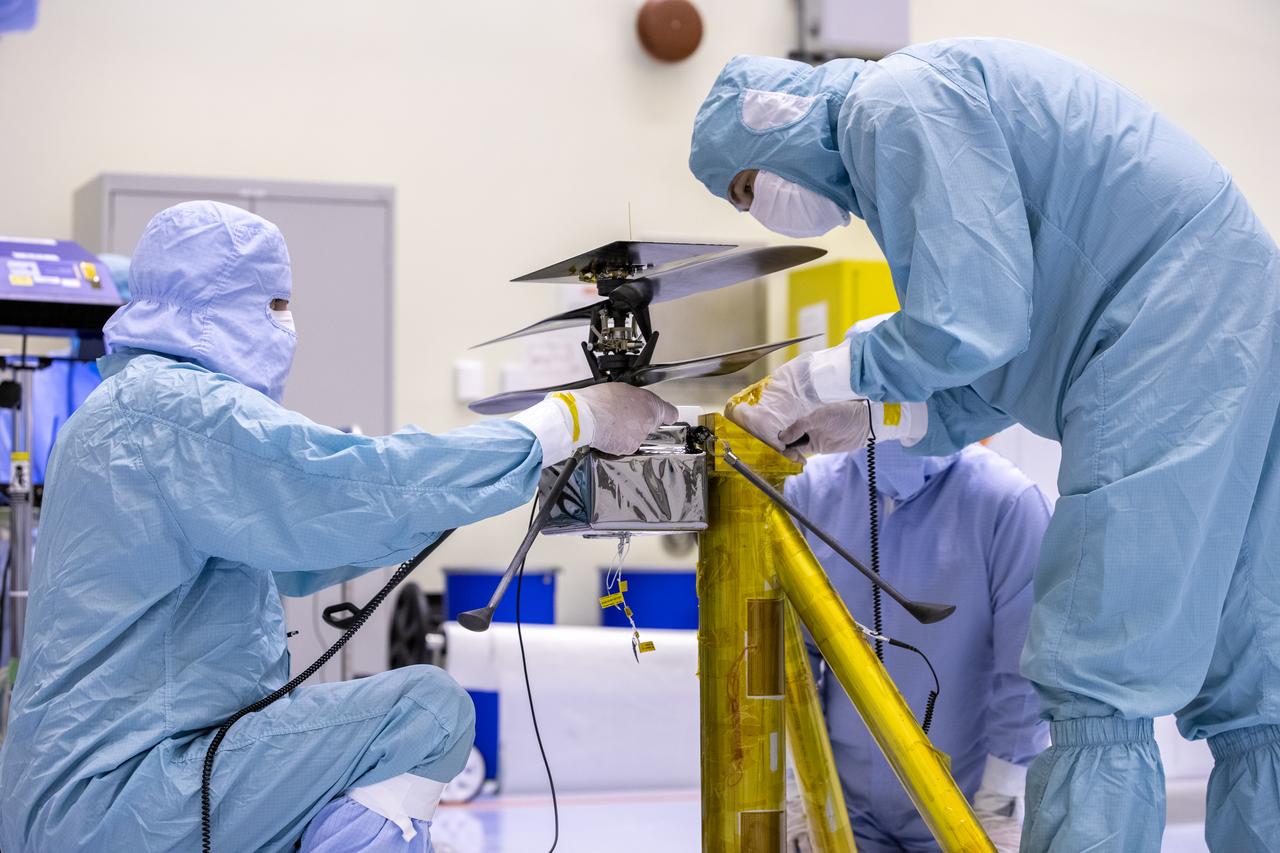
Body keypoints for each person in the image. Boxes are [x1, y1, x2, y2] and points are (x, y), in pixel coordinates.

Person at [689, 39, 1280, 852]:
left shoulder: (890, 105)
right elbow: (1002, 360)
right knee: (1252, 677)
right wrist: (880, 417)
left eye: (747, 187)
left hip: (1159, 323)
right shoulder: (913, 130)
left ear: (773, 117)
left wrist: (819, 377)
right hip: (1228, 308)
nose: (759, 207)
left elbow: (970, 323)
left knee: (1096, 681)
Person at [0, 201, 676, 853]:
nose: (287, 324)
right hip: (133, 798)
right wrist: (566, 421)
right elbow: (359, 487)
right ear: (212, 304)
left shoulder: (118, 409)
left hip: (72, 797)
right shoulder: (177, 409)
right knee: (426, 712)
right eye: (274, 303)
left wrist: (480, 486)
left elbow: (305, 549)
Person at [785, 436, 1050, 853]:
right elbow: (789, 661)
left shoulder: (1007, 502)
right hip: (844, 809)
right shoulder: (808, 492)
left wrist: (1000, 803)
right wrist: (798, 789)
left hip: (964, 806)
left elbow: (1023, 676)